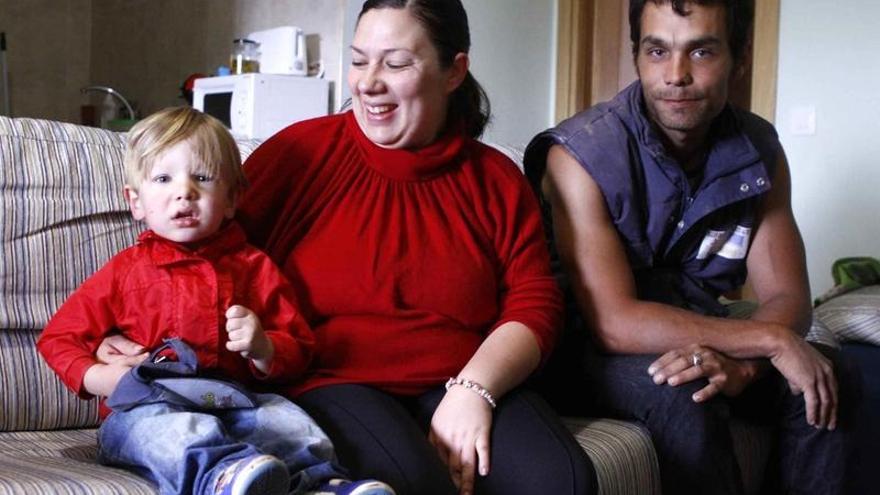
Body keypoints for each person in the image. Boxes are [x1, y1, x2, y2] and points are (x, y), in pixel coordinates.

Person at [98, 2, 596, 494]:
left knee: (564, 481)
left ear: (454, 71)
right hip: (331, 379)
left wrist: (474, 390)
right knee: (413, 484)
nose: (368, 82)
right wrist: (121, 334)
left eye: (396, 63)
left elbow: (535, 301)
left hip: (461, 373)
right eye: (359, 60)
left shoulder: (496, 179)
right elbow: (201, 251)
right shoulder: (299, 154)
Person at [523, 1, 857, 494]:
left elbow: (787, 295)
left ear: (738, 57)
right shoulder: (579, 153)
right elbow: (613, 322)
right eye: (657, 50)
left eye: (701, 51)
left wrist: (747, 364)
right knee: (686, 394)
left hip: (692, 326)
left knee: (825, 377)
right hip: (581, 348)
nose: (675, 75)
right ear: (636, 55)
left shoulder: (759, 150)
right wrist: (769, 341)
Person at [37, 107, 395, 495]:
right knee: (169, 432)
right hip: (145, 408)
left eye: (203, 178)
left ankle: (323, 484)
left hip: (235, 402)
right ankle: (222, 477)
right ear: (136, 201)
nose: (184, 191)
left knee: (290, 422)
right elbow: (58, 338)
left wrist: (264, 347)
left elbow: (300, 346)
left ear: (230, 200)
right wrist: (102, 378)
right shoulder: (125, 271)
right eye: (163, 178)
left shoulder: (255, 267)